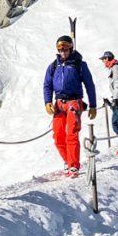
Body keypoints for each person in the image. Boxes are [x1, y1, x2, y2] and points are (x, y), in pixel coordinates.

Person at [42, 35, 97, 178]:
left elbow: (89, 85)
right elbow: (47, 85)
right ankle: (68, 160)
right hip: (59, 104)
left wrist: (93, 105)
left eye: (65, 48)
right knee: (58, 135)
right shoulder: (54, 66)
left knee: (71, 134)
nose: (63, 52)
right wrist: (47, 102)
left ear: (70, 48)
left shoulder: (79, 65)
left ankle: (73, 165)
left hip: (74, 102)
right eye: (60, 49)